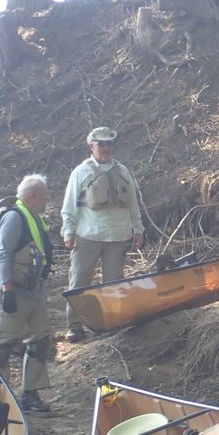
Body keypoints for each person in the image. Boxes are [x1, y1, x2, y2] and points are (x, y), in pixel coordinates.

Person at [60, 126, 145, 342]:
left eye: (109, 144)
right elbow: (69, 206)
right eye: (101, 144)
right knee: (79, 281)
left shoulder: (123, 171)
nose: (106, 148)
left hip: (118, 236)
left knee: (113, 283)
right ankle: (74, 325)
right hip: (88, 235)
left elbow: (133, 204)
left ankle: (111, 321)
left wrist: (138, 229)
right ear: (91, 146)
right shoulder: (81, 172)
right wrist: (68, 231)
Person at [0, 174, 54, 413]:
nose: (47, 199)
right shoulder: (13, 218)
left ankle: (30, 395)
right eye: (44, 195)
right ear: (33, 195)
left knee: (39, 340)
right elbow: (4, 253)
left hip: (33, 291)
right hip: (13, 291)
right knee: (5, 344)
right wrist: (7, 290)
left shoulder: (34, 218)